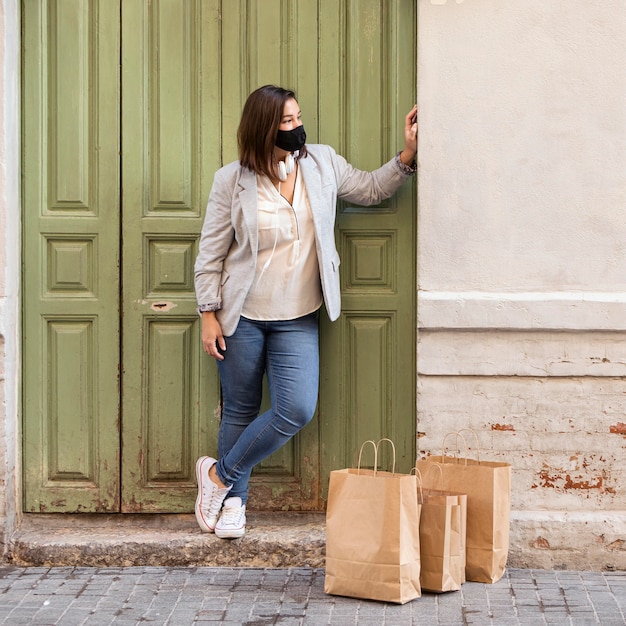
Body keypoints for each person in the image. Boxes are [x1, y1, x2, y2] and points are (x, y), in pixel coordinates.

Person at [193, 85, 418, 539]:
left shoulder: (321, 163)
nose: (298, 128)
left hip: (298, 315)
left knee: (295, 407)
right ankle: (235, 504)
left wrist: (408, 155)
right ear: (264, 129)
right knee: (239, 409)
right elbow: (211, 253)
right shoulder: (231, 181)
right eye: (288, 122)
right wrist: (208, 313)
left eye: (299, 118)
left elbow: (372, 189)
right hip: (243, 316)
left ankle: (218, 477)